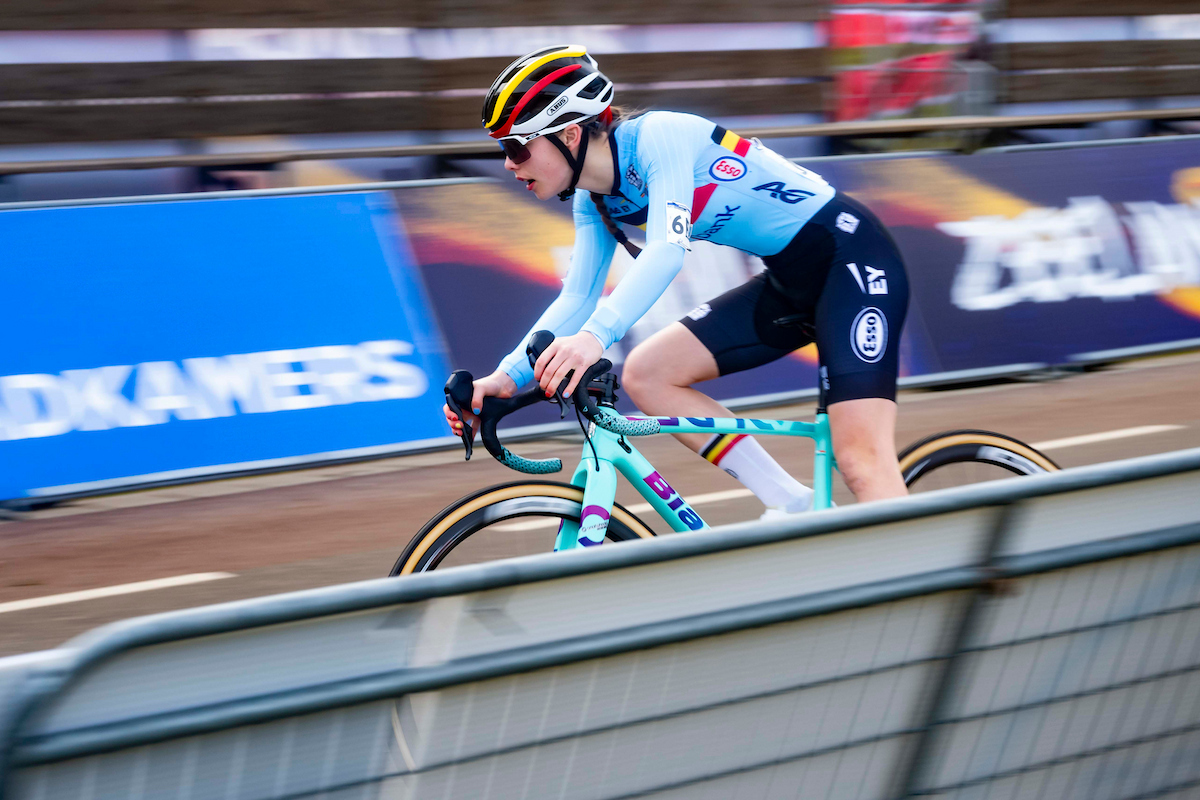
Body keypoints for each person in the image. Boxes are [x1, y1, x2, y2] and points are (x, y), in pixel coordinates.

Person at [445, 44, 910, 513]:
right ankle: (791, 502)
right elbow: (580, 295)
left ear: (569, 135)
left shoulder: (659, 136)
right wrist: (505, 378)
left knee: (861, 463)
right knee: (649, 375)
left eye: (516, 147)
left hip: (851, 258)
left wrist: (593, 339)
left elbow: (667, 251)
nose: (508, 163)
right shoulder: (594, 200)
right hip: (790, 279)